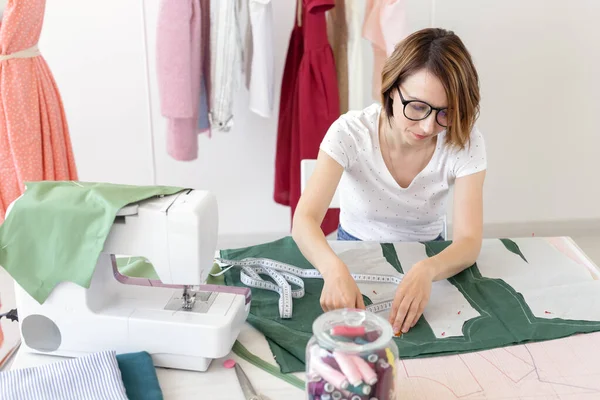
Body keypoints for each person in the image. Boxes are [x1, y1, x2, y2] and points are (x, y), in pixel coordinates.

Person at [291, 28, 487, 335]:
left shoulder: (464, 139)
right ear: (391, 89)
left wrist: (428, 268)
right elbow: (303, 220)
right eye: (418, 107)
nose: (427, 125)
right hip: (352, 250)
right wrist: (332, 269)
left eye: (444, 113)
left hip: (430, 255)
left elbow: (469, 241)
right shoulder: (350, 133)